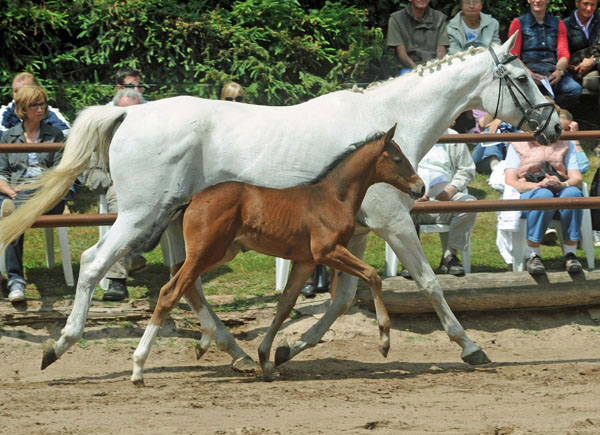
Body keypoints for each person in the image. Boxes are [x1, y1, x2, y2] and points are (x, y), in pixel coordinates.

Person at [0, 86, 66, 302]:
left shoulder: (55, 135)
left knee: (12, 215)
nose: (40, 109)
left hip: (47, 194)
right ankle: (16, 281)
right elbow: (1, 173)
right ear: (22, 109)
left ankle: (15, 281)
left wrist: (43, 190)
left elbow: (59, 173)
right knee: (13, 212)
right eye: (34, 105)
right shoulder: (9, 137)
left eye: (42, 104)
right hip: (17, 192)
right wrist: (8, 189)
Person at [83, 88, 147, 301]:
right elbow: (92, 171)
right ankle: (117, 280)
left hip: (151, 187)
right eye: (123, 113)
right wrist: (112, 181)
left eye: (135, 112)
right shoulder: (104, 133)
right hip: (118, 186)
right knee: (121, 213)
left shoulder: (153, 133)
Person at [504, 122, 584, 275]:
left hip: (560, 188)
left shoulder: (566, 143)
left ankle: (571, 253)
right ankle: (533, 254)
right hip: (530, 190)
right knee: (544, 195)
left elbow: (577, 178)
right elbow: (510, 181)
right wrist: (538, 185)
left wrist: (562, 184)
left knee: (573, 194)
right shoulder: (517, 143)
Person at [401, 129, 477, 278]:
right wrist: (412, 194)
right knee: (397, 206)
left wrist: (451, 189)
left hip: (445, 198)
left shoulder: (453, 137)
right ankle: (410, 260)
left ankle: (450, 256)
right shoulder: (407, 134)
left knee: (470, 204)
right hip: (413, 200)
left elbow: (466, 170)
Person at [508, 0, 582, 109]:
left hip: (552, 74)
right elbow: (513, 55)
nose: (538, 1)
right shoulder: (518, 23)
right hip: (528, 74)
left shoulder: (558, 23)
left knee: (573, 89)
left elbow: (563, 53)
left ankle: (552, 112)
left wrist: (559, 71)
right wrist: (530, 75)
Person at [386, 0, 449, 75]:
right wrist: (418, 71)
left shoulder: (439, 18)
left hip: (434, 67)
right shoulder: (396, 19)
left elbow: (441, 50)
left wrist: (435, 69)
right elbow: (401, 53)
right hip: (409, 68)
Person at [0, 72, 70, 135]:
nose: (18, 95)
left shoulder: (50, 113)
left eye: (23, 91)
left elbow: (66, 132)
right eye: (15, 91)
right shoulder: (5, 113)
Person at [564, 0, 600, 94]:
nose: (589, 8)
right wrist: (574, 68)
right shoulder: (565, 25)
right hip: (577, 71)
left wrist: (594, 60)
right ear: (577, 3)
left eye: (593, 4)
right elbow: (561, 55)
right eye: (585, 4)